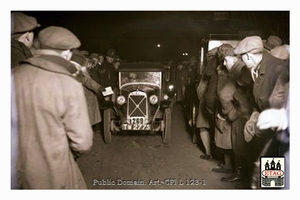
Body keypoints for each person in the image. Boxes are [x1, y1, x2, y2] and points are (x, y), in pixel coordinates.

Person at [12, 26, 93, 189]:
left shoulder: (13, 75)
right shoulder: (68, 83)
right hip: (54, 170)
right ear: (66, 53)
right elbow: (82, 141)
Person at [234, 36, 289, 189]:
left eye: (242, 59)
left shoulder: (279, 69)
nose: (242, 63)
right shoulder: (257, 69)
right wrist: (252, 119)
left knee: (272, 179)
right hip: (266, 130)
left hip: (278, 135)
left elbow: (284, 110)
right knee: (261, 175)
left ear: (248, 56)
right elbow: (259, 101)